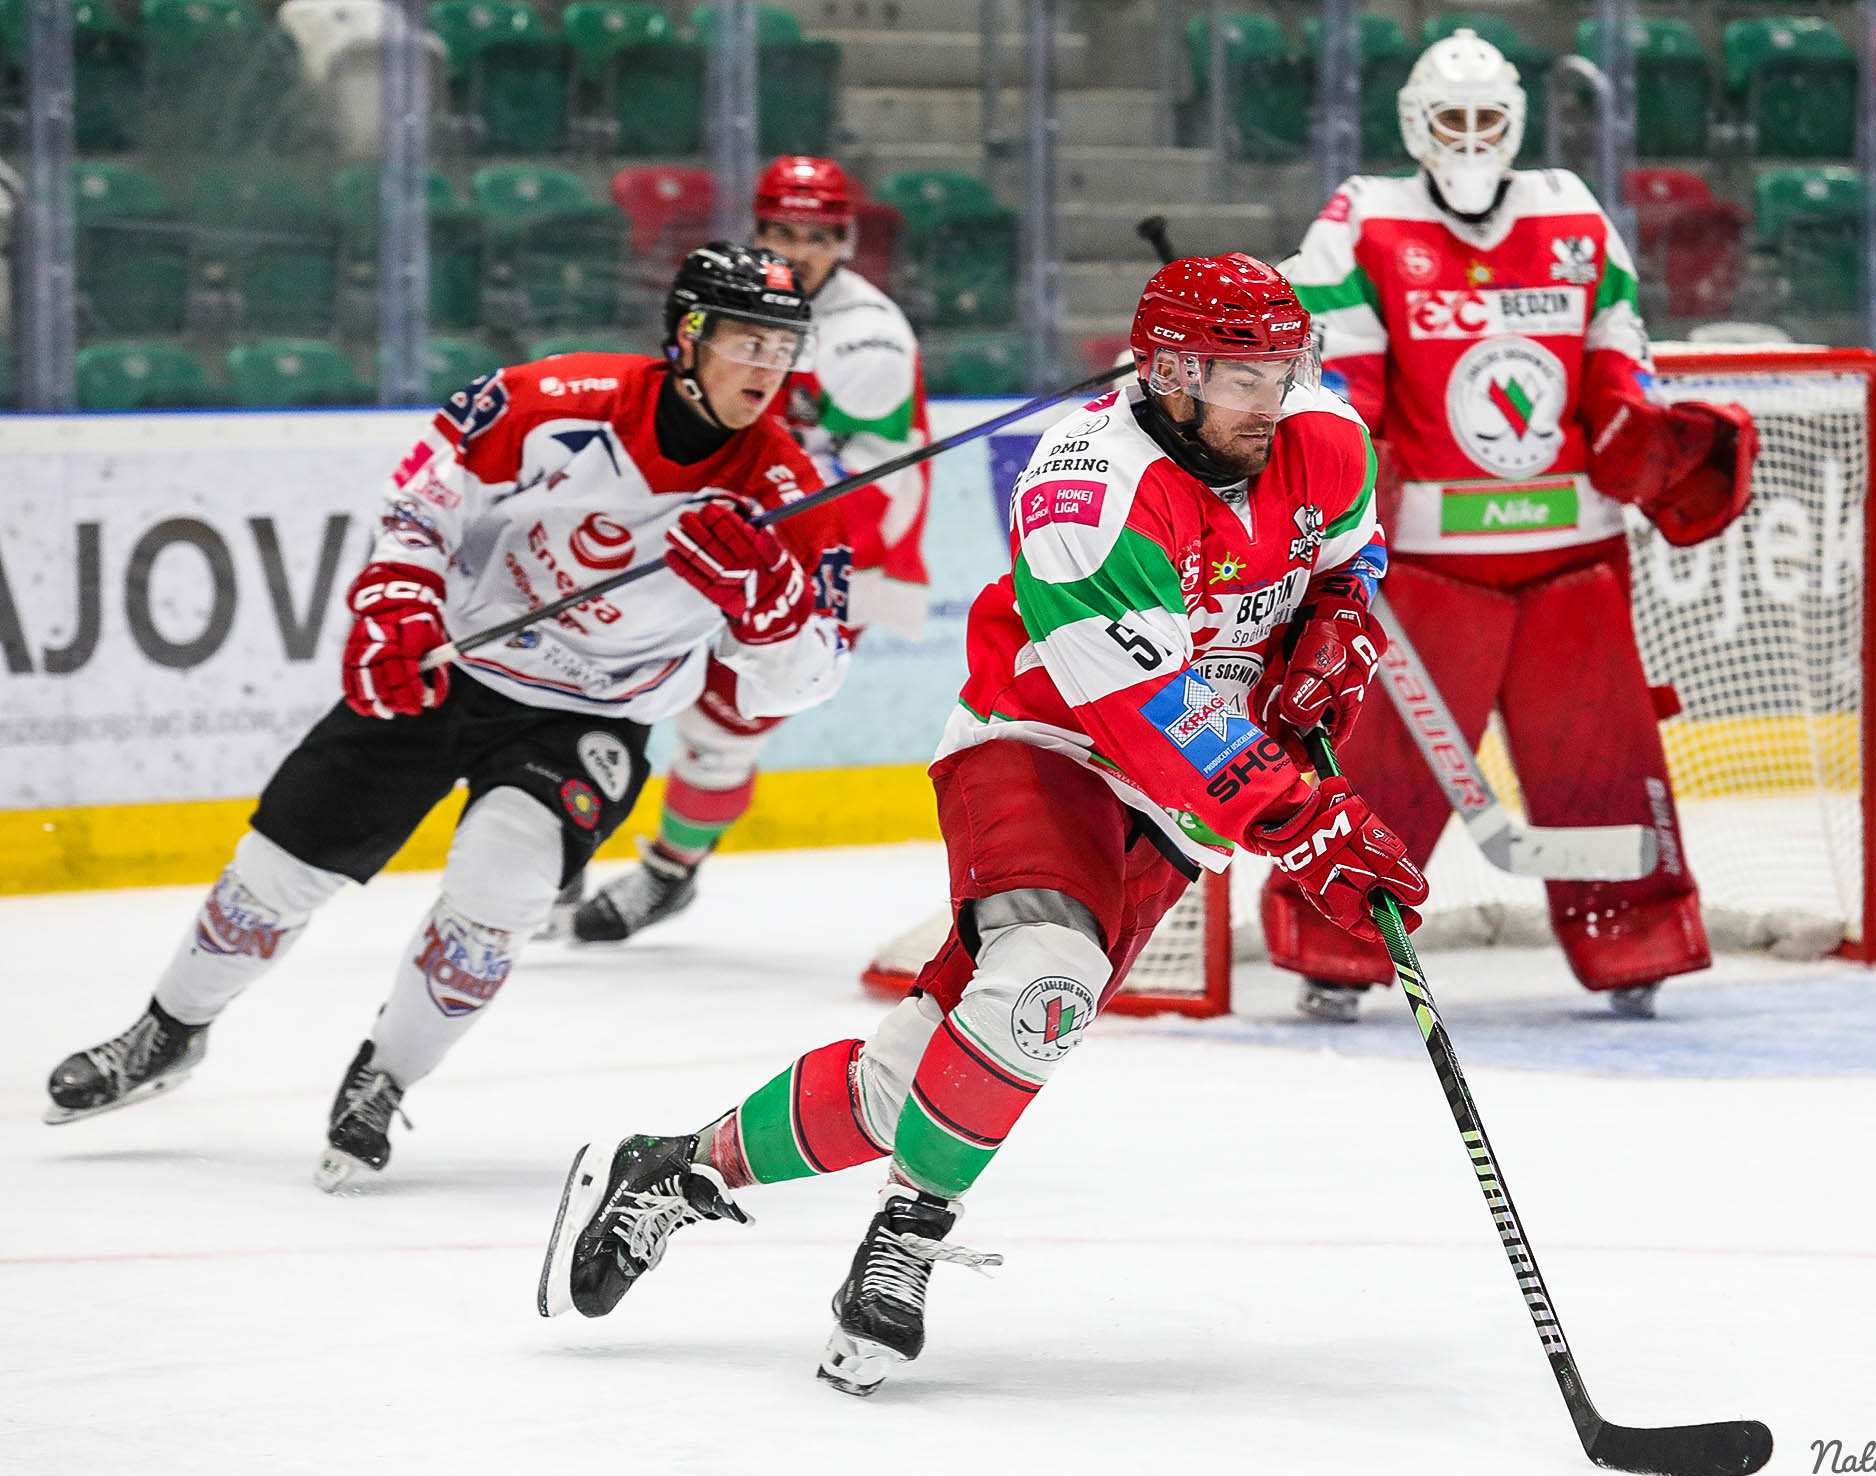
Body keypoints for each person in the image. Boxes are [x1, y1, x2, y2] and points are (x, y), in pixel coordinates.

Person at [534, 254, 1430, 1396]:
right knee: (1048, 982)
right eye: (1241, 377)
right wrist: (1306, 821)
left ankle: (671, 1171)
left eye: (1283, 370)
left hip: (1189, 803)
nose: (1273, 399)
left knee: (915, 1079)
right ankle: (905, 1242)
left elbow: (1348, 560)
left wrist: (1340, 628)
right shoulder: (1086, 490)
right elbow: (1154, 710)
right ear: (1169, 373)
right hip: (1047, 745)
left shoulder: (1323, 434)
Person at [43, 244, 853, 1190]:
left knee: (498, 892)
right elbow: (429, 491)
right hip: (455, 665)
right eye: (747, 342)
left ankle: (384, 1078)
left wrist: (770, 607)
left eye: (783, 349)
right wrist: (398, 597)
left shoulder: (791, 492)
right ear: (687, 336)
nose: (766, 368)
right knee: (278, 870)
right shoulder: (561, 399)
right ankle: (167, 1032)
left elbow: (806, 679)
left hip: (588, 717)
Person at [1271, 28, 1758, 1022]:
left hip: (1571, 552)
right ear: (1416, 125)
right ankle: (1335, 948)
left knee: (1603, 758)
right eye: (1450, 118)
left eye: (1487, 118)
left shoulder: (1571, 211)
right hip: (1423, 564)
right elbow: (1341, 386)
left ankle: (1635, 938)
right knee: (1383, 766)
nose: (1469, 136)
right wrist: (1346, 488)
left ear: (1517, 123)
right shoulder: (1363, 219)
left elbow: (1619, 353)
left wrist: (1639, 429)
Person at [562, 155, 931, 943]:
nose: (801, 252)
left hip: (836, 548)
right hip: (729, 524)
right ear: (758, 230)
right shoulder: (737, 299)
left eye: (818, 237)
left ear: (845, 239)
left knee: (723, 724)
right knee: (609, 666)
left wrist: (763, 523)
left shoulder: (868, 340)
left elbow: (873, 483)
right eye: (783, 233)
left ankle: (670, 873)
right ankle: (556, 842)